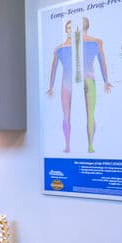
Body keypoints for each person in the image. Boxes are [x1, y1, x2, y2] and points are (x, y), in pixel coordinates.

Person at [80, 16, 112, 153]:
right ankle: (90, 145)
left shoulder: (75, 43)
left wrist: (106, 80)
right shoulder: (96, 42)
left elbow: (102, 61)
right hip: (88, 79)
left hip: (82, 80)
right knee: (90, 114)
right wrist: (106, 81)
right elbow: (102, 61)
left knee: (89, 114)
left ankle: (90, 145)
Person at [46, 20, 74, 153]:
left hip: (81, 82)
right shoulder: (59, 48)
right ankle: (67, 144)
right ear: (66, 30)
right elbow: (54, 68)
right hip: (66, 83)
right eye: (68, 28)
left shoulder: (82, 46)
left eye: (72, 28)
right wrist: (51, 86)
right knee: (66, 115)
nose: (70, 30)